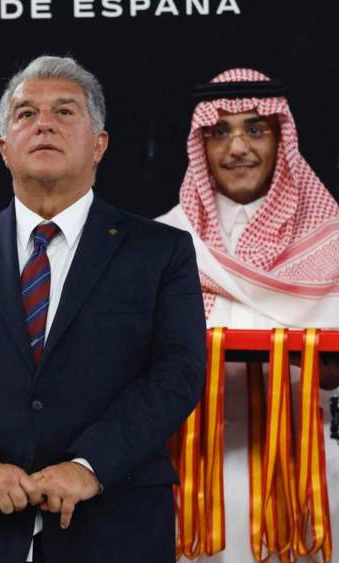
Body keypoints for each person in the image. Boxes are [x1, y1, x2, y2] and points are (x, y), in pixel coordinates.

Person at [0, 55, 207, 562]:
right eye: (25, 114)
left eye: (64, 111)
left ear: (99, 144)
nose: (44, 124)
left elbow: (178, 372)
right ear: (3, 148)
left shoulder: (160, 251)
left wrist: (90, 465)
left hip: (115, 525)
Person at [156, 68, 339, 562]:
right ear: (201, 144)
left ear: (281, 138)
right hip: (193, 482)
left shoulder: (333, 244)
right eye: (220, 132)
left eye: (255, 129)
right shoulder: (163, 244)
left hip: (312, 481)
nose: (237, 148)